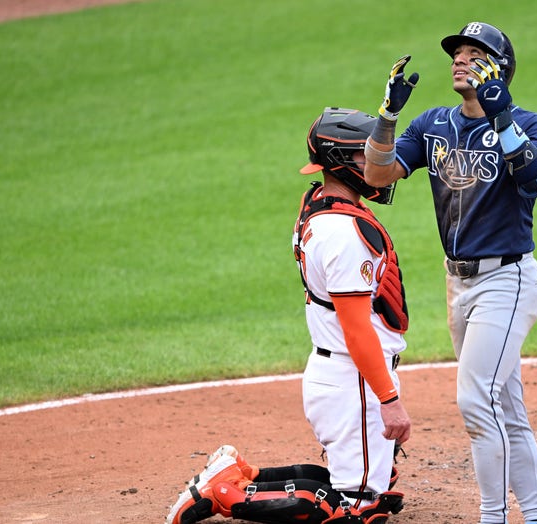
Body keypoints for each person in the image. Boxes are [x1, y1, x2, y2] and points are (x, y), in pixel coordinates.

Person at [166, 107, 411, 524]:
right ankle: (226, 493)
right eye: (365, 156)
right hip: (353, 378)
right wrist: (389, 401)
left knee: (372, 486)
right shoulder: (344, 234)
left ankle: (244, 474)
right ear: (339, 162)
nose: (377, 164)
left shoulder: (319, 202)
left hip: (341, 376)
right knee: (359, 511)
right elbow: (356, 329)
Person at [363, 22, 537, 524]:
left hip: (507, 281)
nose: (460, 59)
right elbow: (377, 176)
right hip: (459, 285)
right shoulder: (433, 125)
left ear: (500, 68)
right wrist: (386, 119)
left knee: (476, 400)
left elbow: (535, 179)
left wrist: (502, 117)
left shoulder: (532, 126)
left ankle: (492, 516)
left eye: (475, 53)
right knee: (505, 407)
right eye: (458, 52)